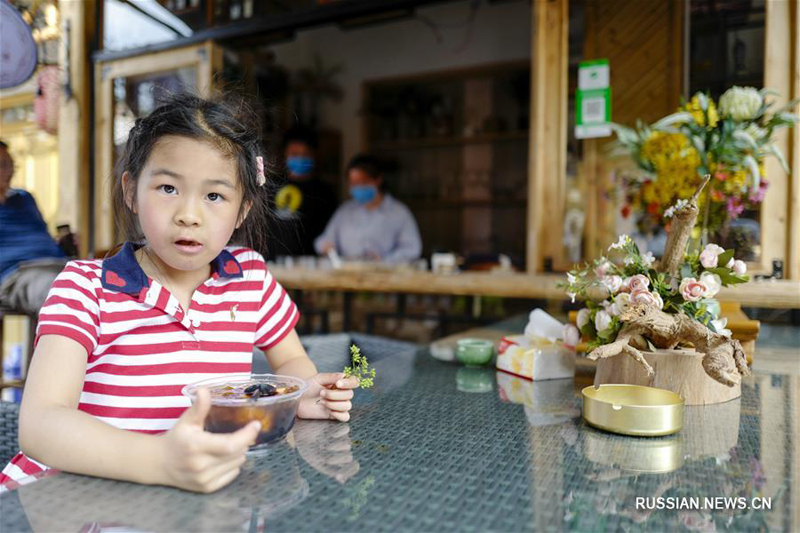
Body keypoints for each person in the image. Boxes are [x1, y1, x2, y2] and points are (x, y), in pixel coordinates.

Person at [0, 94, 359, 493]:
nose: (189, 214)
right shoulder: (84, 288)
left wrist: (298, 397)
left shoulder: (250, 279)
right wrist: (159, 461)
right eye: (168, 188)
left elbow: (290, 358)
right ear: (131, 191)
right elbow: (40, 424)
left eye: (214, 196)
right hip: (68, 499)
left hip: (191, 495)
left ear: (242, 210)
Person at [315, 155, 422, 263]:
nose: (358, 187)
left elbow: (412, 249)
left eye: (363, 182)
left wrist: (384, 261)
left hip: (385, 275)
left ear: (378, 179)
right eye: (353, 183)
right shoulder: (345, 211)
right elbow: (323, 241)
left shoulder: (399, 213)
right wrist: (326, 246)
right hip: (348, 273)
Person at [268, 128, 337, 257]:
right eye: (294, 154)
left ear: (314, 155)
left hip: (311, 267)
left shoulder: (325, 192)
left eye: (305, 154)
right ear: (285, 154)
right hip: (272, 264)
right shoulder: (270, 186)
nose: (300, 158)